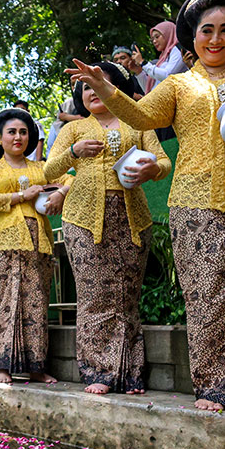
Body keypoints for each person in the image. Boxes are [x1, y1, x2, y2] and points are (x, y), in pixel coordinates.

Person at [68, 0, 225, 413]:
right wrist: (105, 88)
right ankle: (218, 386)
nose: (216, 39)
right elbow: (141, 114)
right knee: (209, 290)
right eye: (207, 30)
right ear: (193, 36)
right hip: (199, 201)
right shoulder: (179, 85)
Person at [45, 62, 172, 395]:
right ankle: (98, 370)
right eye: (86, 87)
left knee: (127, 295)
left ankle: (130, 373)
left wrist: (152, 170)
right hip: (83, 219)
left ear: (114, 89)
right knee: (93, 295)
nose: (92, 92)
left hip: (133, 217)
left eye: (99, 84)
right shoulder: (73, 130)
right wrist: (73, 152)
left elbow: (163, 161)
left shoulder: (137, 122)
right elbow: (48, 171)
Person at [0, 108, 58, 384]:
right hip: (3, 243)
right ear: (0, 139)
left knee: (37, 302)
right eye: (11, 132)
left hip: (38, 242)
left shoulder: (40, 167)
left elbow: (67, 179)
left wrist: (61, 192)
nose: (18, 137)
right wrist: (22, 195)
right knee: (4, 302)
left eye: (23, 132)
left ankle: (36, 367)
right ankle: (3, 367)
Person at [133, 21, 188, 93]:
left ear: (168, 34)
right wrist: (138, 71)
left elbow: (168, 76)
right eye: (152, 39)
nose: (154, 41)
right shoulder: (163, 57)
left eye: (157, 37)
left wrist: (143, 63)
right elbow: (149, 90)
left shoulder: (177, 49)